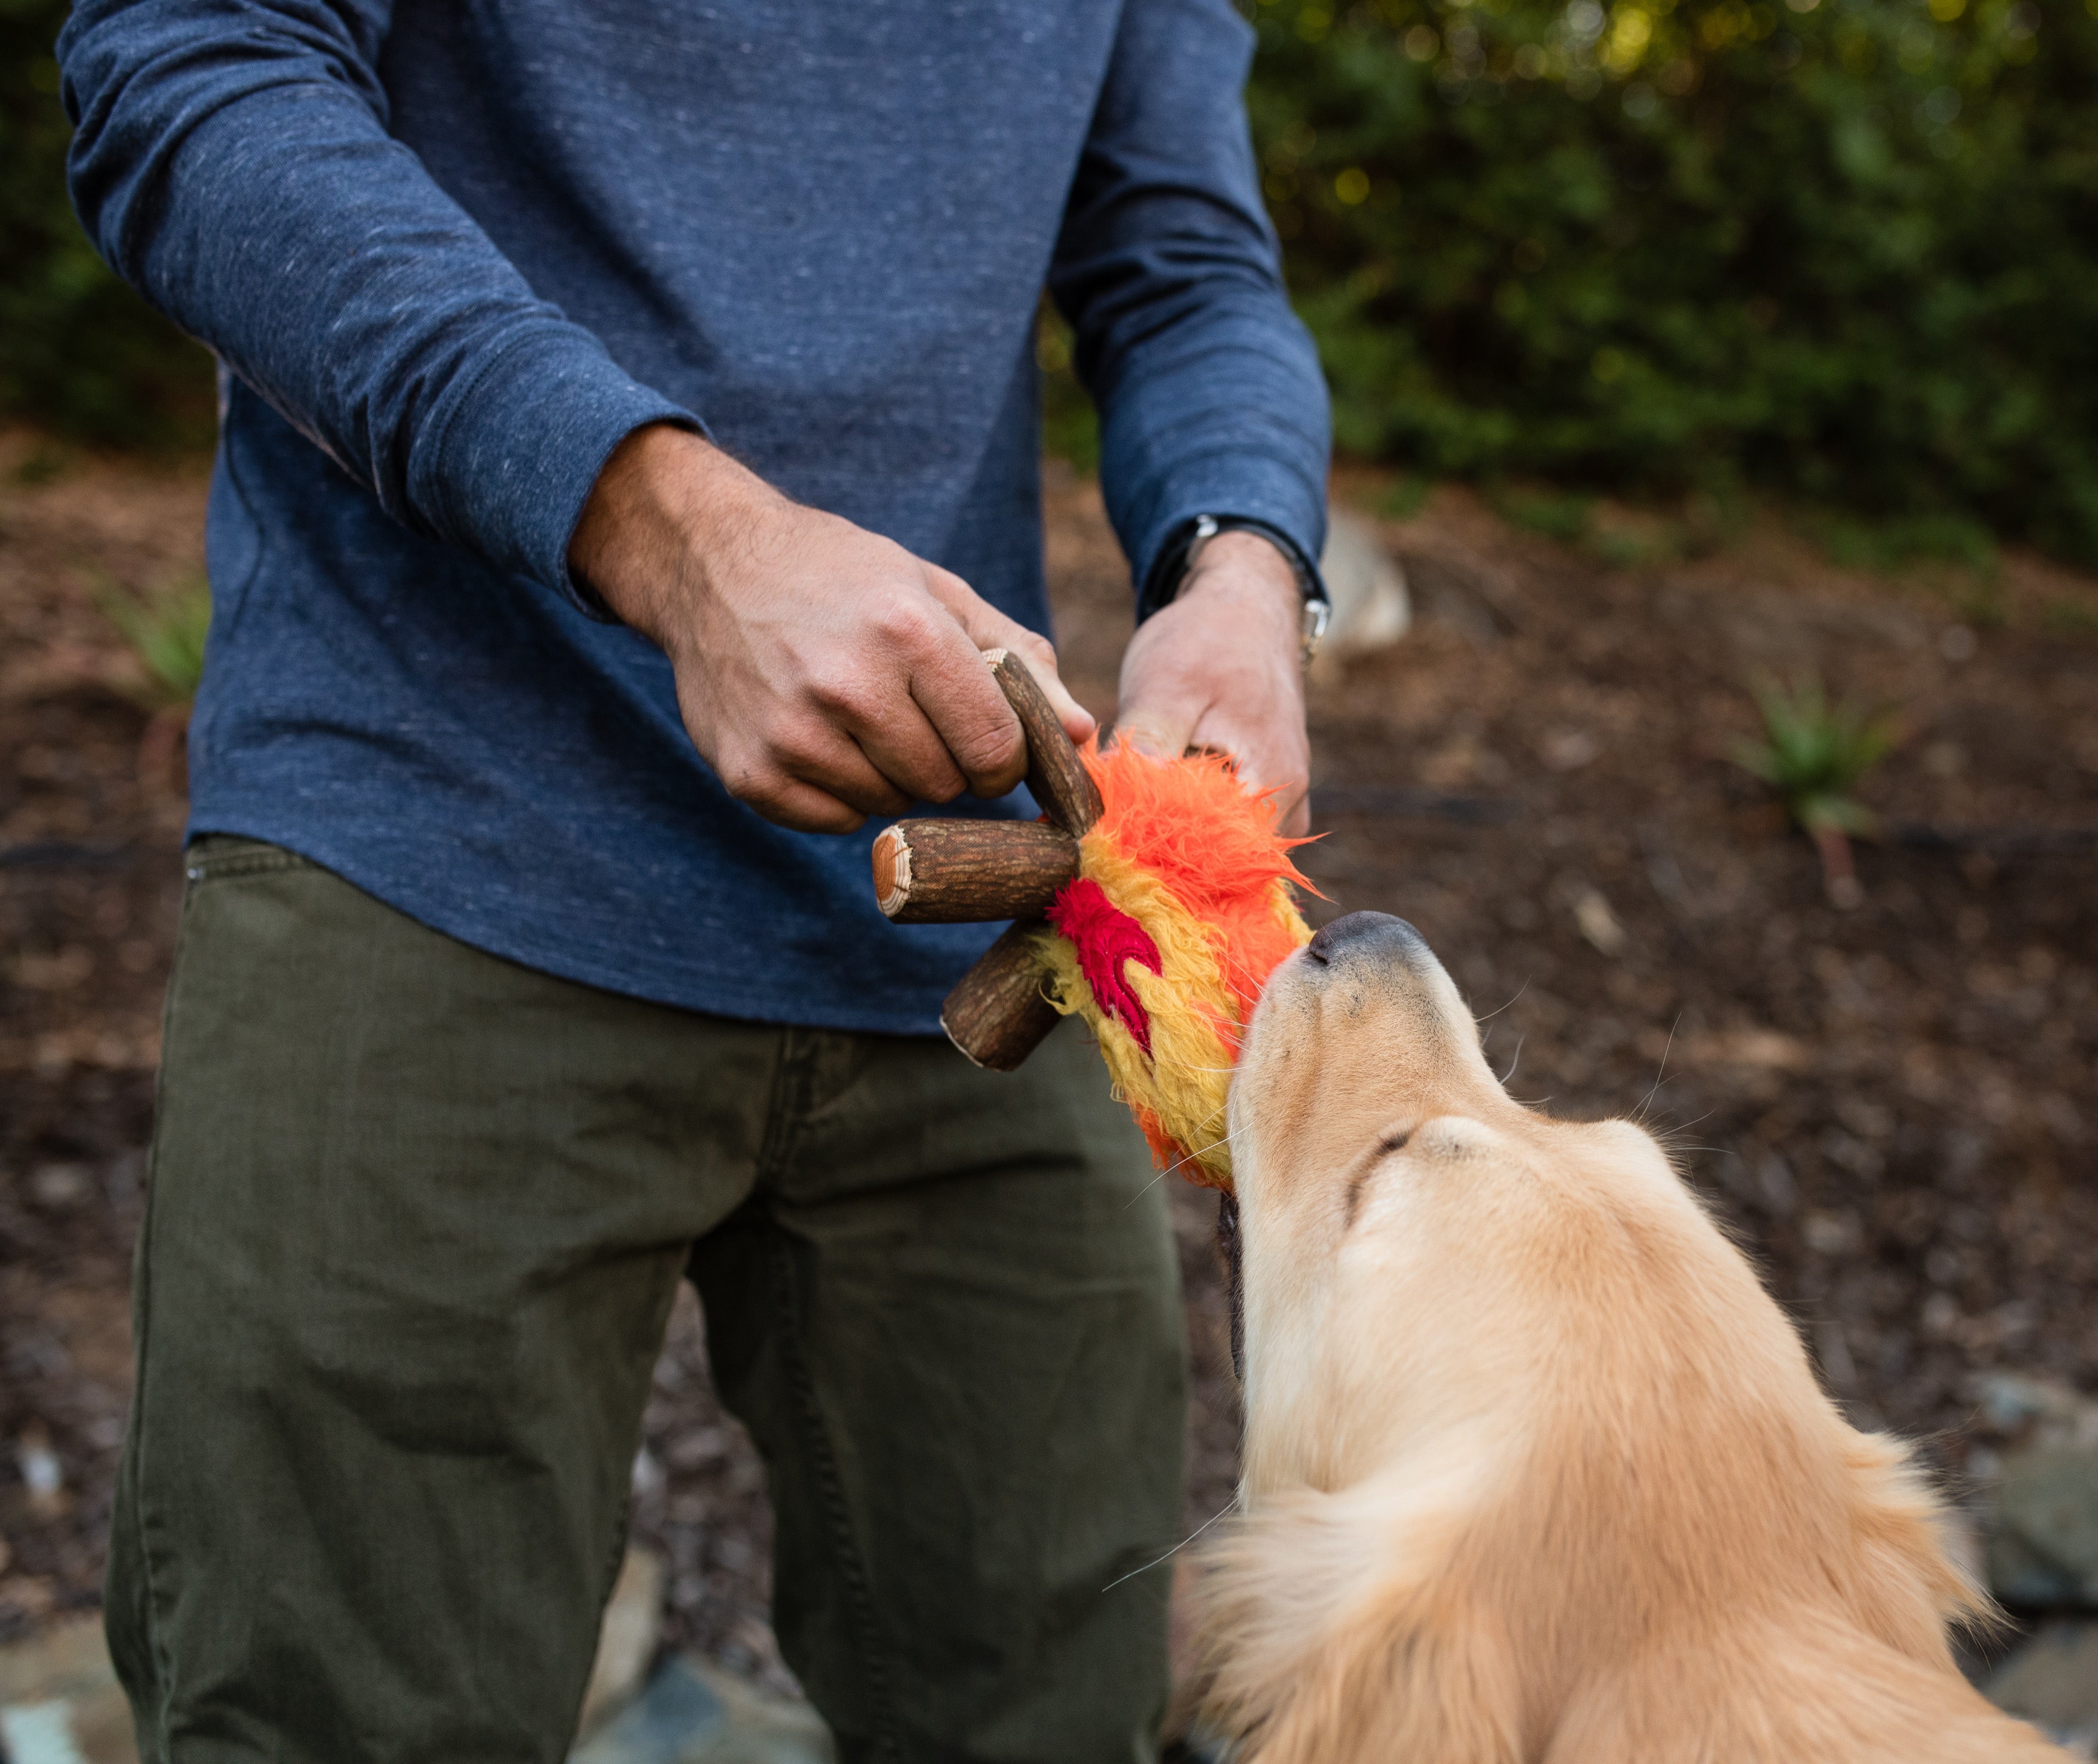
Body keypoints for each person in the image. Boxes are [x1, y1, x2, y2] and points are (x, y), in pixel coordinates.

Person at [56, 1, 1331, 1758]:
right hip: (436, 843)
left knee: (1062, 1704)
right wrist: (664, 529)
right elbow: (192, 78)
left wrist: (1247, 563)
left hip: (961, 951)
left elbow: (1181, 257)